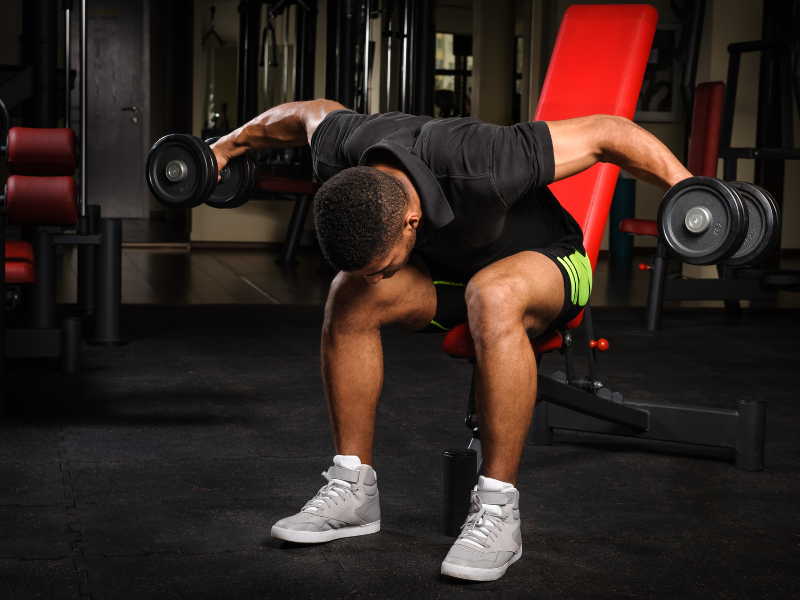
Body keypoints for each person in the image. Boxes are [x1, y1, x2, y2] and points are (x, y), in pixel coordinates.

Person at [211, 100, 691, 581]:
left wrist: (689, 192)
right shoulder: (346, 146)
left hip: (547, 266)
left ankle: (499, 510)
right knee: (349, 293)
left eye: (383, 267)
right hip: (453, 281)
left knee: (493, 293)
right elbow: (305, 114)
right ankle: (354, 489)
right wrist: (222, 150)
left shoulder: (483, 160)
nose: (379, 280)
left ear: (410, 223)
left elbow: (607, 132)